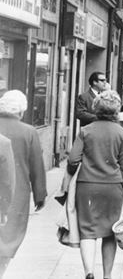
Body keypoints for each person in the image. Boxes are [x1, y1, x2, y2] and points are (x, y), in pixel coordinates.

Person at [67, 91, 123, 279]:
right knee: (110, 231)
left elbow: (72, 160)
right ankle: (107, 275)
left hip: (87, 186)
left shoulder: (86, 131)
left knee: (87, 230)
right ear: (116, 110)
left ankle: (89, 272)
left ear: (96, 108)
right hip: (112, 187)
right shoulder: (121, 133)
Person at [0, 90, 46, 276]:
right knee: (9, 236)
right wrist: (40, 194)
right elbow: (37, 165)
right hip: (16, 192)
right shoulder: (29, 131)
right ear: (21, 111)